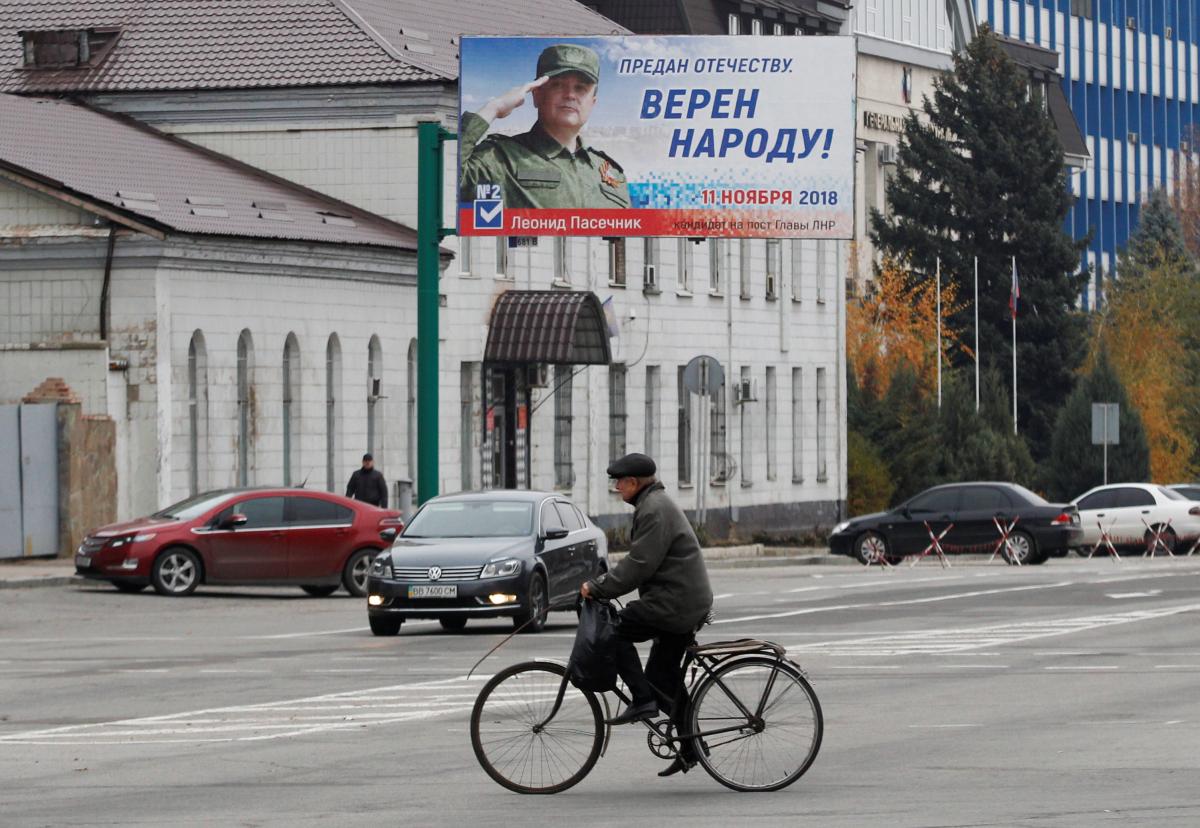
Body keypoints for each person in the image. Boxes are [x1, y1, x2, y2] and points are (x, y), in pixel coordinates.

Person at [580, 453, 714, 777]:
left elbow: (639, 565)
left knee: (613, 631)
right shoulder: (653, 504)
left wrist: (597, 588)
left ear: (633, 483)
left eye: (619, 482)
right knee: (661, 677)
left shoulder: (653, 510)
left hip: (674, 603)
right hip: (679, 599)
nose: (616, 487)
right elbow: (640, 563)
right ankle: (692, 745)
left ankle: (641, 700)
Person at [459, 43, 631, 210]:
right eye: (558, 85)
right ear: (537, 95)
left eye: (581, 88)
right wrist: (494, 107)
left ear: (592, 103)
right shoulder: (500, 158)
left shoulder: (611, 174)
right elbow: (446, 181)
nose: (570, 95)